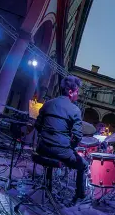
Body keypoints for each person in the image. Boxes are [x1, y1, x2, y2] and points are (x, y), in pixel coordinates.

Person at [35, 75, 88, 205]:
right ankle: (80, 195)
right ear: (70, 92)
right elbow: (77, 136)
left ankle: (48, 187)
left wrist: (48, 138)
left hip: (42, 148)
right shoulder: (74, 109)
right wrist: (70, 148)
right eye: (77, 92)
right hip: (60, 150)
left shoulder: (47, 104)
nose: (77, 95)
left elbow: (37, 125)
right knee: (84, 165)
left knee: (50, 155)